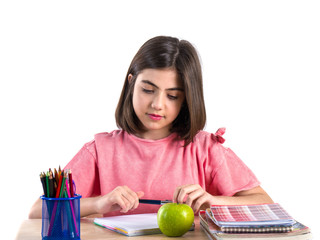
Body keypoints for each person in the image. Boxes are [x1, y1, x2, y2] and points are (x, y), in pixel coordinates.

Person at [29, 36, 273, 219]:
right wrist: (98, 204)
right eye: (148, 90)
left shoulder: (205, 148)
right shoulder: (100, 150)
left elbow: (266, 203)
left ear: (187, 99)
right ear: (131, 83)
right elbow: (39, 211)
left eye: (173, 96)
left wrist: (213, 200)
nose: (157, 105)